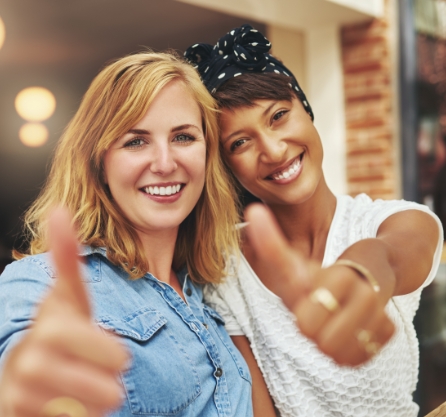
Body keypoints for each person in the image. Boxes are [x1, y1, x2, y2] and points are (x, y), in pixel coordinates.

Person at [185, 25, 444, 417]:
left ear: (306, 110)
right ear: (226, 166)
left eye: (279, 116)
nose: (272, 150)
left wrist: (359, 276)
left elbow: (389, 254)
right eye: (240, 142)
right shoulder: (223, 264)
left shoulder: (395, 220)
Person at [0, 51, 275, 417]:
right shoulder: (42, 281)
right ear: (98, 162)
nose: (164, 163)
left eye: (183, 137)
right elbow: (24, 367)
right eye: (135, 141)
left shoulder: (210, 290)